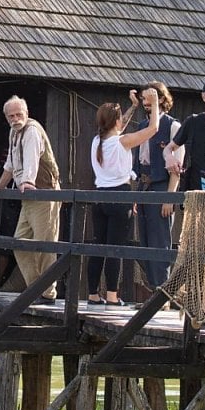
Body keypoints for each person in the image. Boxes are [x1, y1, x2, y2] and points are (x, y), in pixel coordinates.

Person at [87, 100, 162, 304]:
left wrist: (133, 106)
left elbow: (119, 125)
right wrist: (154, 103)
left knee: (97, 246)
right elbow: (153, 128)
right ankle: (112, 295)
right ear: (117, 121)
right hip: (119, 197)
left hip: (99, 197)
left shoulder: (97, 141)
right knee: (114, 248)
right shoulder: (122, 141)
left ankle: (93, 293)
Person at [0, 96, 62, 300]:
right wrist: (1, 184)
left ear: (26, 113)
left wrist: (27, 181)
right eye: (11, 116)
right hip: (28, 196)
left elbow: (31, 158)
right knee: (20, 243)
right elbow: (11, 162)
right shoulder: (14, 132)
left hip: (44, 193)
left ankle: (47, 292)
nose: (15, 118)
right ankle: (37, 288)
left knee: (45, 245)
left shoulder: (32, 131)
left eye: (19, 114)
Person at [128, 82, 182, 291]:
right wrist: (135, 195)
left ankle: (163, 293)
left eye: (149, 98)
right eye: (143, 100)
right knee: (145, 240)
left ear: (161, 99)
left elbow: (177, 166)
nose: (145, 103)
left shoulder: (173, 126)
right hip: (143, 186)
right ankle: (153, 289)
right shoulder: (143, 126)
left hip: (162, 186)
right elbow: (138, 162)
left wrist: (170, 197)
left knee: (160, 241)